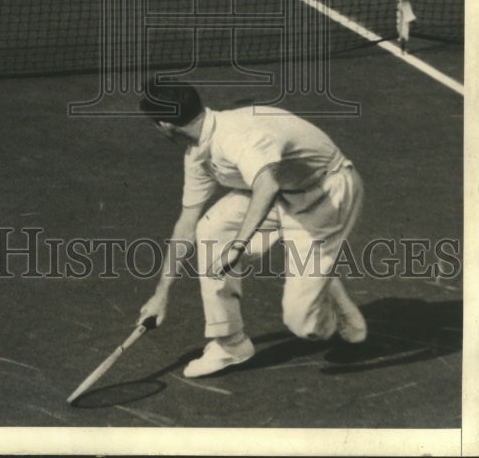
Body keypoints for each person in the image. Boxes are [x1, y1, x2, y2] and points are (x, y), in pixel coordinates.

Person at [137, 80, 367, 377]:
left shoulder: (235, 137)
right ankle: (230, 344)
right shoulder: (199, 153)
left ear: (165, 124)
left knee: (305, 325)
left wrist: (237, 247)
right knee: (211, 232)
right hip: (282, 190)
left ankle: (326, 294)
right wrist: (162, 293)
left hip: (325, 193)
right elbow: (187, 223)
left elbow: (266, 185)